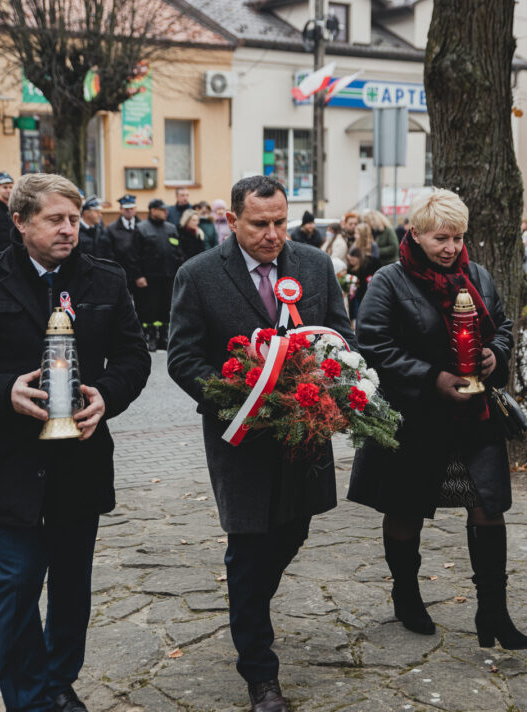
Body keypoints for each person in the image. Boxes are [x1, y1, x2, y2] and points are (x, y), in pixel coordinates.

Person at [0, 173, 150, 712]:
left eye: (74, 218)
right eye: (55, 219)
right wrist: (4, 391)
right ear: (21, 221)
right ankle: (27, 699)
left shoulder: (104, 280)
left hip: (81, 460)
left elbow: (134, 358)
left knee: (72, 589)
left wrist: (107, 398)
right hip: (12, 463)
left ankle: (57, 681)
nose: (68, 229)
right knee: (19, 586)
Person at [166, 175, 355, 712]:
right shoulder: (198, 275)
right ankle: (260, 674)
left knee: (293, 530)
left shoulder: (314, 266)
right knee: (248, 548)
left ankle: (248, 609)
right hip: (242, 437)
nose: (274, 235)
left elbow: (339, 336)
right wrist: (239, 399)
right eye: (260, 224)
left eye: (280, 223)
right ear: (232, 221)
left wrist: (331, 390)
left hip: (304, 433)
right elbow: (183, 358)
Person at [348, 188, 527, 652]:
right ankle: (406, 595)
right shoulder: (388, 281)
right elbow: (373, 346)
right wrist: (432, 377)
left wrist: (496, 353)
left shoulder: (477, 274)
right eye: (441, 238)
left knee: (488, 509)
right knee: (406, 508)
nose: (451, 248)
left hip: (474, 417)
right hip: (414, 419)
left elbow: (504, 325)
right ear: (415, 233)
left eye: (457, 237)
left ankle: (493, 610)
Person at [136, 198, 183, 351]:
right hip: (150, 278)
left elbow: (177, 252)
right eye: (162, 210)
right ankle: (151, 337)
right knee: (149, 309)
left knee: (166, 308)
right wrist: (138, 275)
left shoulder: (171, 228)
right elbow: (134, 256)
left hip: (168, 276)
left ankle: (164, 337)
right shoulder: (142, 228)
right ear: (153, 210)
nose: (166, 212)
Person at [106, 195, 142, 299]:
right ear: (121, 210)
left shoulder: (143, 226)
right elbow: (109, 253)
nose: (129, 211)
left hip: (140, 276)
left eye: (131, 208)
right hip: (121, 273)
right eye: (126, 209)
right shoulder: (112, 229)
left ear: (135, 209)